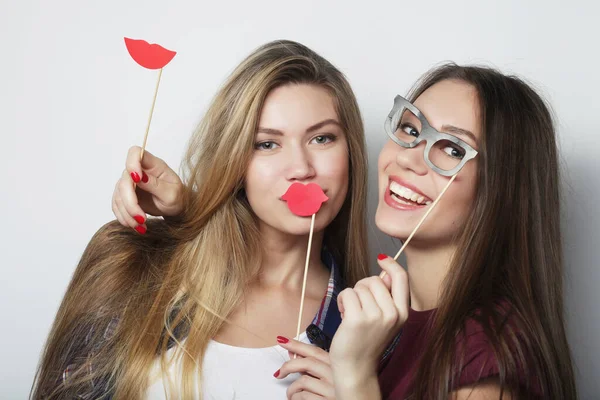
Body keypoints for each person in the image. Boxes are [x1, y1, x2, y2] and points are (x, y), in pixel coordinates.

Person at [32, 40, 370, 399]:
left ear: (350, 153)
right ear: (234, 161)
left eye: (322, 138)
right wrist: (194, 215)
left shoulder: (369, 330)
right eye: (266, 144)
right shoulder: (133, 269)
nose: (301, 169)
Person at [276, 64, 578, 399]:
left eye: (453, 150)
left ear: (501, 190)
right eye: (409, 129)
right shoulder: (390, 326)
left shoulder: (488, 352)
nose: (408, 159)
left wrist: (357, 380)